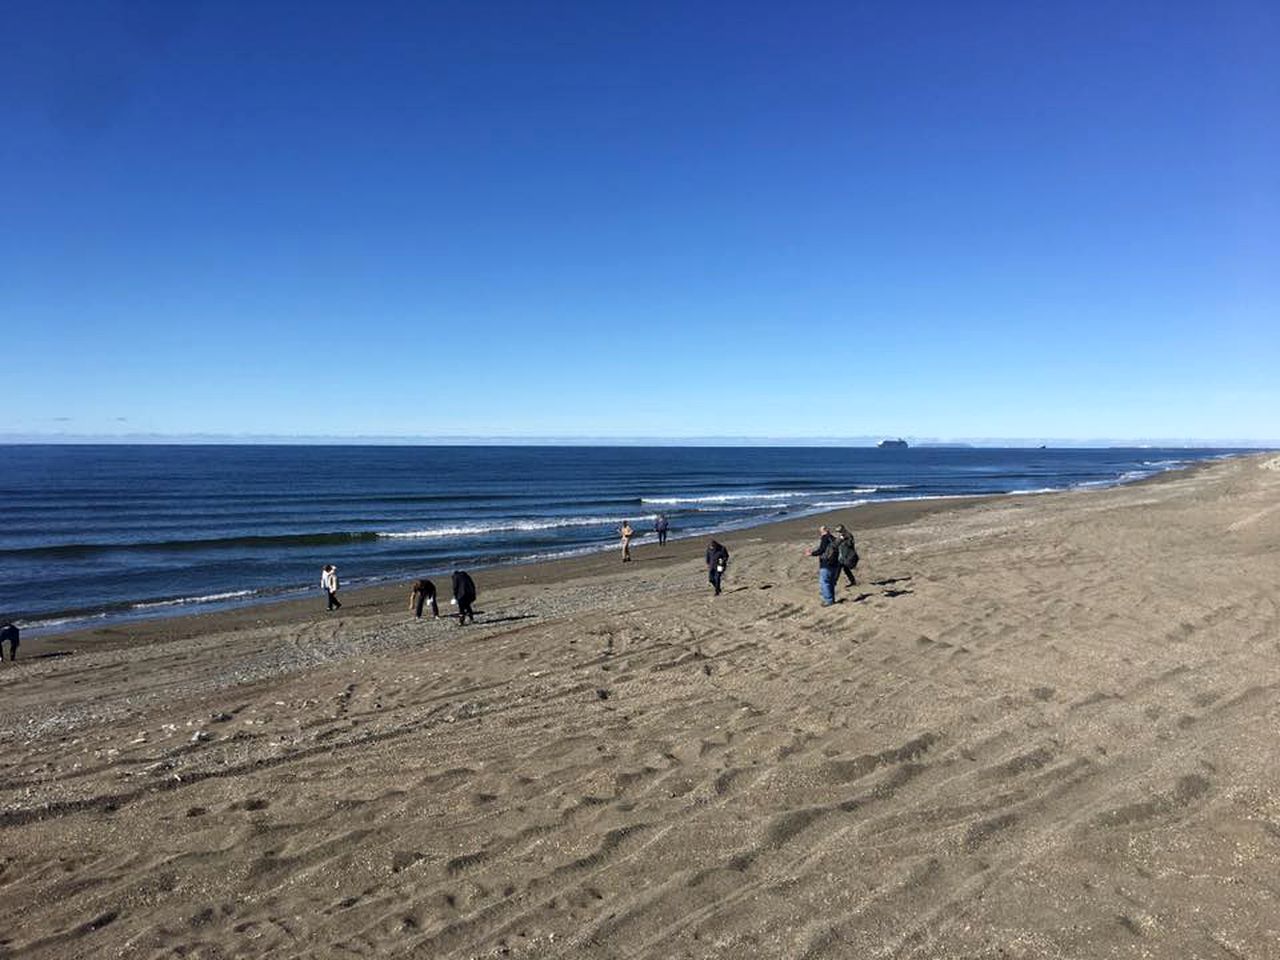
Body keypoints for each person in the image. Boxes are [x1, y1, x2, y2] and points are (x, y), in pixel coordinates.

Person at [807, 525, 841, 606]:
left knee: (824, 582)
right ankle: (831, 600)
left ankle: (829, 601)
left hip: (826, 564)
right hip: (835, 563)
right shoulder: (834, 538)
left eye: (821, 531)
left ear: (824, 531)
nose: (820, 533)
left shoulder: (825, 538)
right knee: (831, 582)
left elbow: (821, 550)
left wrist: (811, 553)